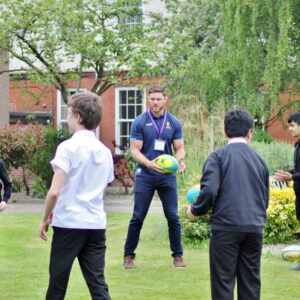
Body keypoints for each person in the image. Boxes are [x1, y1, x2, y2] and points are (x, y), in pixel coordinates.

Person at [38, 91, 114, 300]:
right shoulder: (104, 151)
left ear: (78, 117)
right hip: (95, 224)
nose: (68, 118)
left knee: (57, 283)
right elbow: (103, 187)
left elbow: (54, 191)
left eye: (69, 114)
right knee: (98, 283)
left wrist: (45, 218)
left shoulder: (67, 147)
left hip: (69, 223)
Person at [187, 109, 269, 300]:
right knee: (250, 284)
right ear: (250, 132)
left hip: (226, 227)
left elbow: (208, 190)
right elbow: (264, 198)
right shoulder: (260, 161)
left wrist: (195, 211)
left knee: (223, 284)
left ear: (225, 132)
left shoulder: (217, 156)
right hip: (254, 226)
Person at [123, 85, 186, 269]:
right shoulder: (140, 122)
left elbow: (180, 148)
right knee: (138, 216)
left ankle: (178, 257)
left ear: (165, 99)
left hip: (167, 176)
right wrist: (149, 164)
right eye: (152, 99)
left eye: (159, 98)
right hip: (146, 175)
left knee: (173, 216)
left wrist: (178, 160)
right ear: (148, 100)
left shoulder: (174, 122)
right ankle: (128, 257)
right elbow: (135, 150)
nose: (155, 102)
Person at [274, 111, 300, 220]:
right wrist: (288, 173)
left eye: (292, 125)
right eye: (289, 126)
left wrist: (292, 177)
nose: (289, 129)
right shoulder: (298, 145)